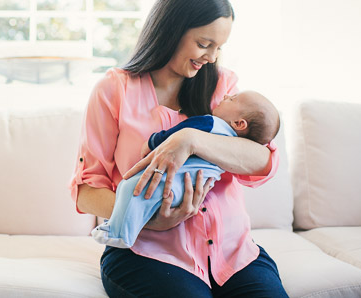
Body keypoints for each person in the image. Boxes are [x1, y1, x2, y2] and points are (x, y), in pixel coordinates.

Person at [70, 0, 289, 297]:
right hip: (148, 254)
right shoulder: (114, 91)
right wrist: (147, 218)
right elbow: (87, 190)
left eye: (218, 48)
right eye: (204, 44)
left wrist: (190, 140)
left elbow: (262, 160)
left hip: (234, 255)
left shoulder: (223, 89)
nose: (211, 57)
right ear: (171, 30)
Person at [91, 90, 280, 248]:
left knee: (130, 188)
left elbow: (171, 135)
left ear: (240, 123)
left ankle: (120, 234)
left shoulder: (209, 122)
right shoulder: (230, 144)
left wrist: (152, 142)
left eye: (231, 99)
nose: (225, 96)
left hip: (168, 180)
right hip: (186, 191)